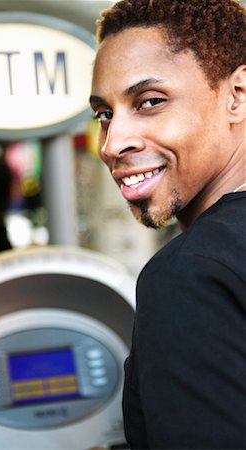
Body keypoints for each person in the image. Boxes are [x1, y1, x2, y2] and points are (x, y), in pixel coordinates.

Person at [89, 0, 246, 448]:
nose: (112, 144)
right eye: (105, 115)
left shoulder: (191, 272)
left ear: (237, 94)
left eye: (150, 102)